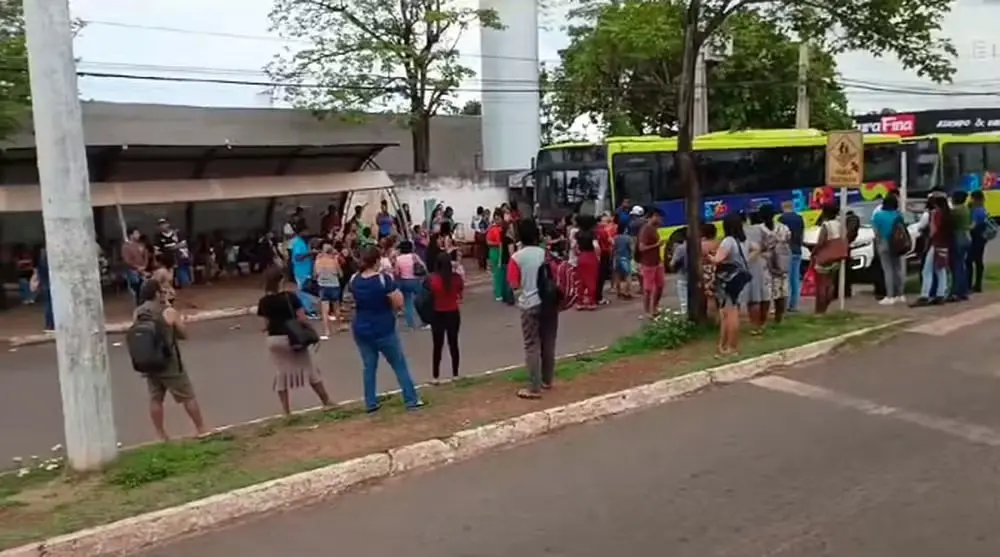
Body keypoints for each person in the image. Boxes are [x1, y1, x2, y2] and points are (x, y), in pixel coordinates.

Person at [349, 246, 423, 413]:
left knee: (369, 366)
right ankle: (411, 399)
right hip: (383, 327)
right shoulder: (383, 280)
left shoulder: (354, 280)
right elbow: (399, 302)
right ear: (377, 261)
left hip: (361, 327)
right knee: (399, 364)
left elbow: (353, 300)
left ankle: (370, 402)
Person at [134, 279, 207, 440]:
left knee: (155, 398)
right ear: (156, 293)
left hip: (148, 361)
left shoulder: (138, 312)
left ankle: (161, 434)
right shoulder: (167, 311)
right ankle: (201, 428)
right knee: (187, 396)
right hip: (169, 361)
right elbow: (183, 334)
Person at [256, 267, 333, 416]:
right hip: (292, 338)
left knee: (281, 374)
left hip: (274, 341)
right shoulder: (290, 297)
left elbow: (264, 325)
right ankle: (326, 401)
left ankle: (286, 410)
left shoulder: (264, 301)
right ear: (282, 280)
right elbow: (301, 317)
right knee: (310, 370)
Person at [507, 219, 558, 399]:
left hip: (529, 304)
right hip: (549, 303)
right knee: (548, 342)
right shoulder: (545, 253)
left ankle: (534, 386)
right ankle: (547, 380)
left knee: (531, 345)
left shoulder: (516, 258)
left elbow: (513, 285)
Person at [711, 213, 750, 355]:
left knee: (730, 314)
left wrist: (709, 256)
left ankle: (731, 347)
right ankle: (724, 345)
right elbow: (756, 248)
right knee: (729, 312)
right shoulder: (743, 240)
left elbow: (717, 260)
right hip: (739, 278)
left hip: (729, 280)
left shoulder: (728, 241)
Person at [428, 252, 464, 384]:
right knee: (453, 343)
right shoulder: (456, 278)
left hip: (437, 313)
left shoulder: (433, 279)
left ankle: (435, 376)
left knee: (437, 345)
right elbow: (460, 293)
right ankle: (455, 373)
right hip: (453, 312)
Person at [914, 195, 952, 306]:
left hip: (935, 244)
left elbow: (933, 230)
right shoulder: (948, 215)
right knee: (941, 269)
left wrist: (929, 237)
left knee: (927, 270)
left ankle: (924, 295)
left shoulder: (936, 214)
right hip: (945, 244)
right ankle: (941, 295)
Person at [871, 193, 907, 304]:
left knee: (888, 270)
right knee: (897, 269)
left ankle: (890, 296)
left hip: (884, 243)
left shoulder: (878, 216)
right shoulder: (898, 214)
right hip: (897, 244)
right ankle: (900, 294)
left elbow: (876, 233)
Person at [759, 205, 790, 324]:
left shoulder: (758, 230)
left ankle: (762, 321)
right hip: (781, 264)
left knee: (765, 294)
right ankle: (779, 318)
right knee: (781, 292)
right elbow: (788, 242)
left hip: (765, 265)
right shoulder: (783, 228)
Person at [744, 211, 773, 334]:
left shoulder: (745, 230)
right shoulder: (765, 230)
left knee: (753, 297)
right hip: (763, 263)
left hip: (750, 263)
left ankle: (755, 325)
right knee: (765, 295)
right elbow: (771, 243)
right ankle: (763, 322)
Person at [812, 204, 844, 314]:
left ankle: (819, 310)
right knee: (830, 283)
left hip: (825, 257)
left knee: (821, 284)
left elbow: (821, 241)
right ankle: (825, 307)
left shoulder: (826, 225)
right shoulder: (839, 225)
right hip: (836, 257)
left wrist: (814, 251)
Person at [636, 207, 665, 317]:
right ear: (651, 217)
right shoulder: (645, 230)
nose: (660, 219)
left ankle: (655, 307)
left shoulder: (654, 228)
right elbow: (641, 248)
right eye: (657, 217)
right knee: (648, 289)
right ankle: (647, 311)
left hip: (657, 261)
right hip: (648, 263)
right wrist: (657, 245)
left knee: (660, 286)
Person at [394, 240, 427, 330]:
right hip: (415, 280)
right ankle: (424, 321)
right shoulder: (414, 256)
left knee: (408, 303)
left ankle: (411, 325)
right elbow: (423, 266)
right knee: (421, 301)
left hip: (404, 281)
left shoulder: (398, 259)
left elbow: (397, 272)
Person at [777, 201, 804, 311]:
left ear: (783, 208)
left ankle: (784, 304)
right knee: (795, 279)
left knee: (784, 279)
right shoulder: (800, 218)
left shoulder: (781, 219)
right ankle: (793, 305)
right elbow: (802, 234)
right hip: (797, 250)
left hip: (785, 252)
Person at [288, 224, 319, 318]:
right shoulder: (298, 243)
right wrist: (310, 253)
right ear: (301, 232)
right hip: (301, 271)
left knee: (305, 290)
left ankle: (305, 309)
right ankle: (308, 311)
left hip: (306, 270)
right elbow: (297, 257)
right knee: (304, 291)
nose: (308, 233)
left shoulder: (303, 242)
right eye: (306, 231)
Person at [314, 242, 343, 339]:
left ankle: (327, 331)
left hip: (323, 286)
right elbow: (341, 274)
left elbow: (315, 274)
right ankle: (339, 325)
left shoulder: (318, 261)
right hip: (334, 285)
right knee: (336, 308)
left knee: (324, 310)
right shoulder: (334, 261)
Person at [949, 190, 972, 302]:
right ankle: (964, 290)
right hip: (967, 237)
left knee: (957, 266)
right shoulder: (965, 209)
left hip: (958, 238)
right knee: (962, 264)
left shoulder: (956, 211)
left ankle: (956, 292)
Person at [574, 214, 600, 310]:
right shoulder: (592, 234)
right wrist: (598, 256)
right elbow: (596, 246)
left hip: (581, 257)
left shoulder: (578, 234)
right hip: (591, 256)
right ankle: (591, 302)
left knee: (581, 280)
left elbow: (575, 247)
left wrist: (578, 254)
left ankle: (580, 302)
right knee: (591, 280)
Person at [121, 227, 150, 306]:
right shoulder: (126, 246)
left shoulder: (141, 245)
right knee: (138, 290)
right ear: (131, 235)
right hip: (133, 271)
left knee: (145, 289)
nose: (138, 235)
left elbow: (146, 255)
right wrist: (137, 268)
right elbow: (127, 260)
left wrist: (144, 266)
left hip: (143, 270)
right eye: (136, 233)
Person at [968, 190, 990, 293]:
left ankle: (969, 284)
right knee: (979, 261)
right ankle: (978, 284)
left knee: (969, 261)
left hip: (976, 237)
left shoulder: (976, 211)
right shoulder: (984, 210)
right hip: (982, 237)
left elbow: (973, 225)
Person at [596, 212, 615, 305]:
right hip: (604, 254)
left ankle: (596, 295)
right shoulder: (602, 231)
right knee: (601, 276)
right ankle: (599, 297)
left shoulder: (596, 230)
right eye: (604, 220)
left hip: (597, 255)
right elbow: (610, 242)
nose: (606, 222)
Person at [613, 220, 635, 299]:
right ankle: (627, 292)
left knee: (618, 276)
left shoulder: (615, 238)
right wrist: (632, 256)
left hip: (617, 258)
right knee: (627, 276)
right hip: (625, 258)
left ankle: (619, 292)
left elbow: (613, 248)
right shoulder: (628, 238)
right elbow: (632, 249)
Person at [486, 213, 505, 301]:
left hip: (503, 251)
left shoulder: (504, 229)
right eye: (495, 219)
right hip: (495, 252)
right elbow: (488, 242)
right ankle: (498, 293)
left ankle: (504, 292)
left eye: (499, 219)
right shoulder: (492, 229)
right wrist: (497, 244)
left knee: (503, 273)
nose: (497, 221)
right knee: (497, 273)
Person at [473, 206, 489, 271]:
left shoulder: (474, 218)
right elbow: (484, 227)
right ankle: (484, 264)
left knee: (479, 249)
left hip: (477, 233)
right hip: (482, 234)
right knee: (484, 249)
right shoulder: (483, 218)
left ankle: (480, 264)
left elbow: (472, 226)